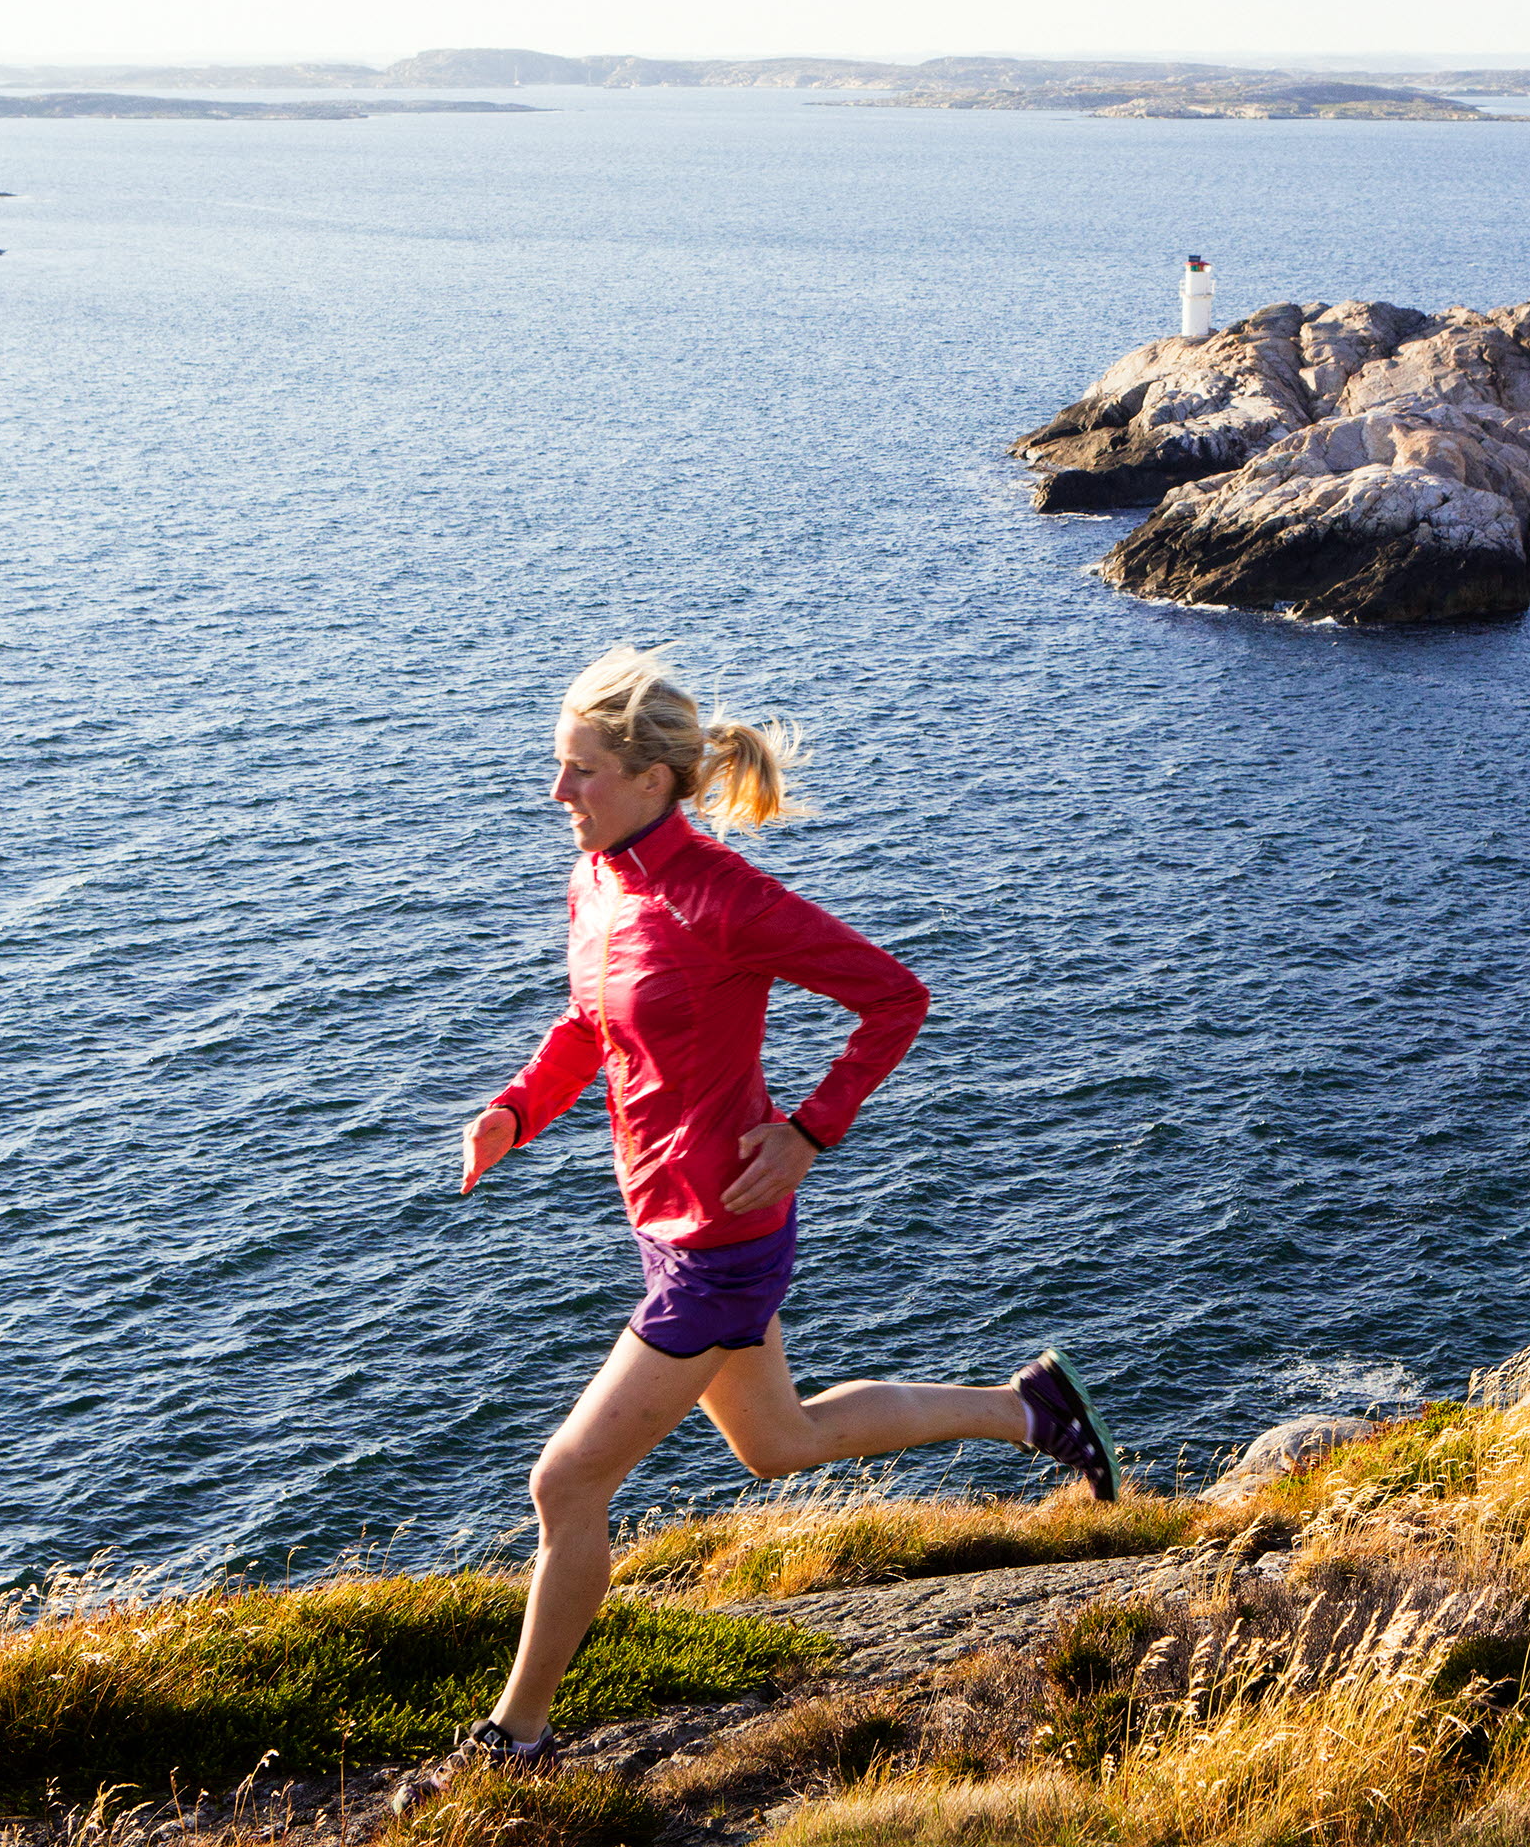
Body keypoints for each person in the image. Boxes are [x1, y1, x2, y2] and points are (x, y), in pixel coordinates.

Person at [392, 648, 1120, 1809]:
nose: (555, 793)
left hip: (720, 1243)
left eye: (578, 771)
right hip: (664, 1220)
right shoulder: (599, 877)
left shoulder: (720, 896)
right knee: (775, 1442)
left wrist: (810, 1131)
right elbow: (590, 1024)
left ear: (648, 778)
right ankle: (1032, 1408)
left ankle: (515, 1740)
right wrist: (515, 1109)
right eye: (556, 767)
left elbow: (896, 994)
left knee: (564, 1485)